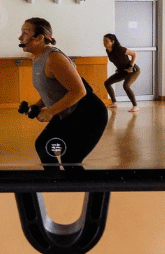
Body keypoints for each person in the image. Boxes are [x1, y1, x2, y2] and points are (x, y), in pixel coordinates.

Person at [17, 17, 108, 169]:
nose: (20, 37)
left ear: (39, 38)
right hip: (69, 111)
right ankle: (55, 184)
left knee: (70, 158)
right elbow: (52, 89)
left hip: (89, 114)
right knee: (44, 145)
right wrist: (38, 105)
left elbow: (79, 91)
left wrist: (51, 111)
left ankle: (95, 190)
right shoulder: (37, 57)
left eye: (25, 33)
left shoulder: (53, 58)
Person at [101, 33, 141, 112]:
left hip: (133, 70)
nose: (104, 43)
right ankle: (114, 103)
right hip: (122, 71)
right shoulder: (108, 50)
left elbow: (134, 54)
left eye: (106, 41)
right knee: (107, 83)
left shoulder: (120, 49)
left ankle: (135, 106)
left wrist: (131, 66)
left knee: (126, 85)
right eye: (103, 41)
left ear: (112, 42)